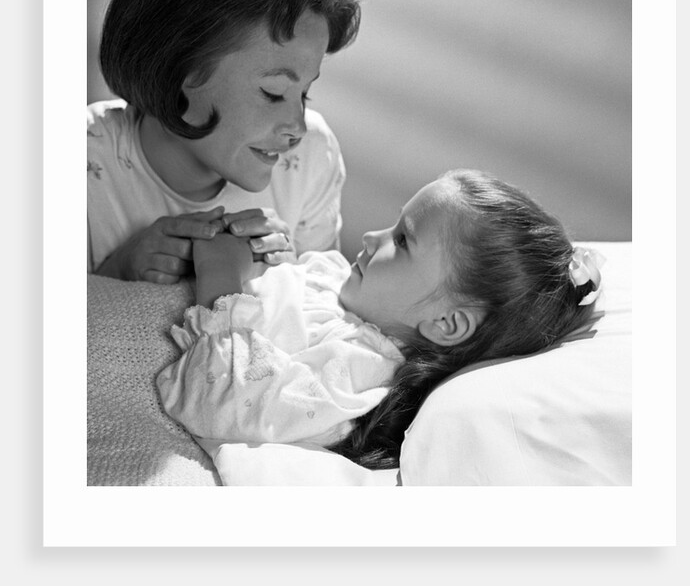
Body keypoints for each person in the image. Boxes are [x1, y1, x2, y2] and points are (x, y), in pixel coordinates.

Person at [156, 168, 604, 470]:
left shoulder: (356, 375)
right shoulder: (342, 283)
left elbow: (223, 406)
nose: (371, 237)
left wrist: (222, 276)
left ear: (447, 324)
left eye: (402, 240)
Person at [88, 0, 360, 282]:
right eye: (274, 92)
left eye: (305, 93)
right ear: (179, 68)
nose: (296, 127)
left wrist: (293, 277)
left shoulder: (311, 156)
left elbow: (327, 319)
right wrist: (117, 271)